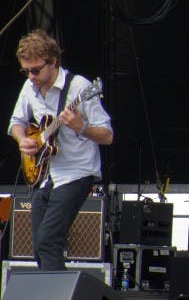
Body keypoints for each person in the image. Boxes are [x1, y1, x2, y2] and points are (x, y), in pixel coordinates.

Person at [8, 29, 113, 271]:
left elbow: (107, 136)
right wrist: (22, 139)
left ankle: (55, 290)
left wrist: (81, 126)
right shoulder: (29, 87)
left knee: (48, 241)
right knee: (39, 247)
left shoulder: (79, 87)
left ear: (53, 61)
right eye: (26, 71)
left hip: (77, 173)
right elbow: (16, 122)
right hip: (47, 176)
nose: (31, 77)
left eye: (36, 70)